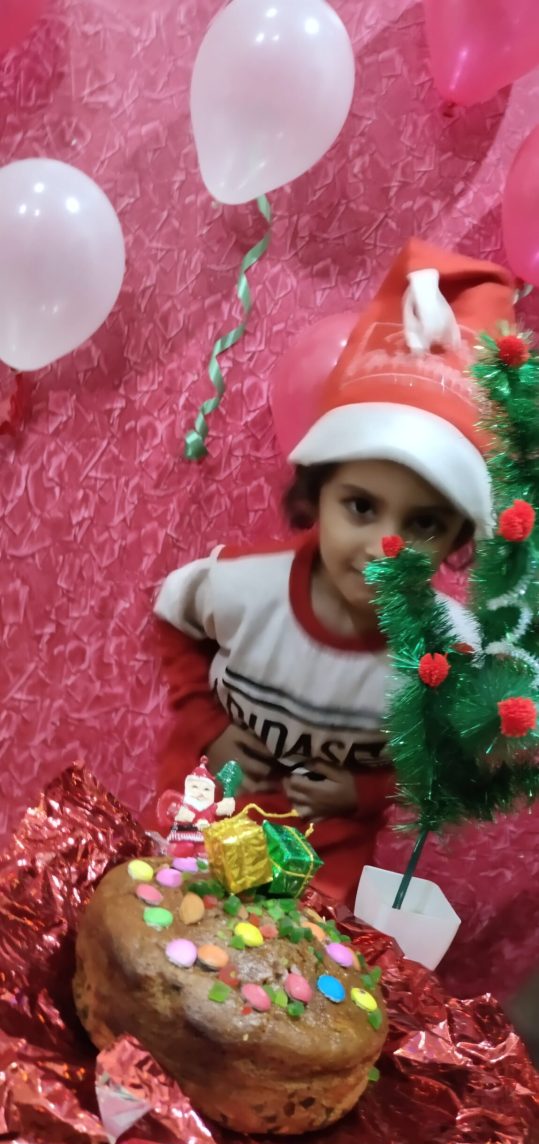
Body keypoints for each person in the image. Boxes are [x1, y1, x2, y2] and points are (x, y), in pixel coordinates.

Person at [142, 238, 515, 907]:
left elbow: (439, 759)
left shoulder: (449, 650)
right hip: (198, 821)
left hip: (321, 867)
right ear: (316, 494)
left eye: (424, 524)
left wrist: (364, 791)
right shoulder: (240, 586)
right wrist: (208, 729)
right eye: (361, 507)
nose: (386, 545)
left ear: (459, 537)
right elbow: (175, 621)